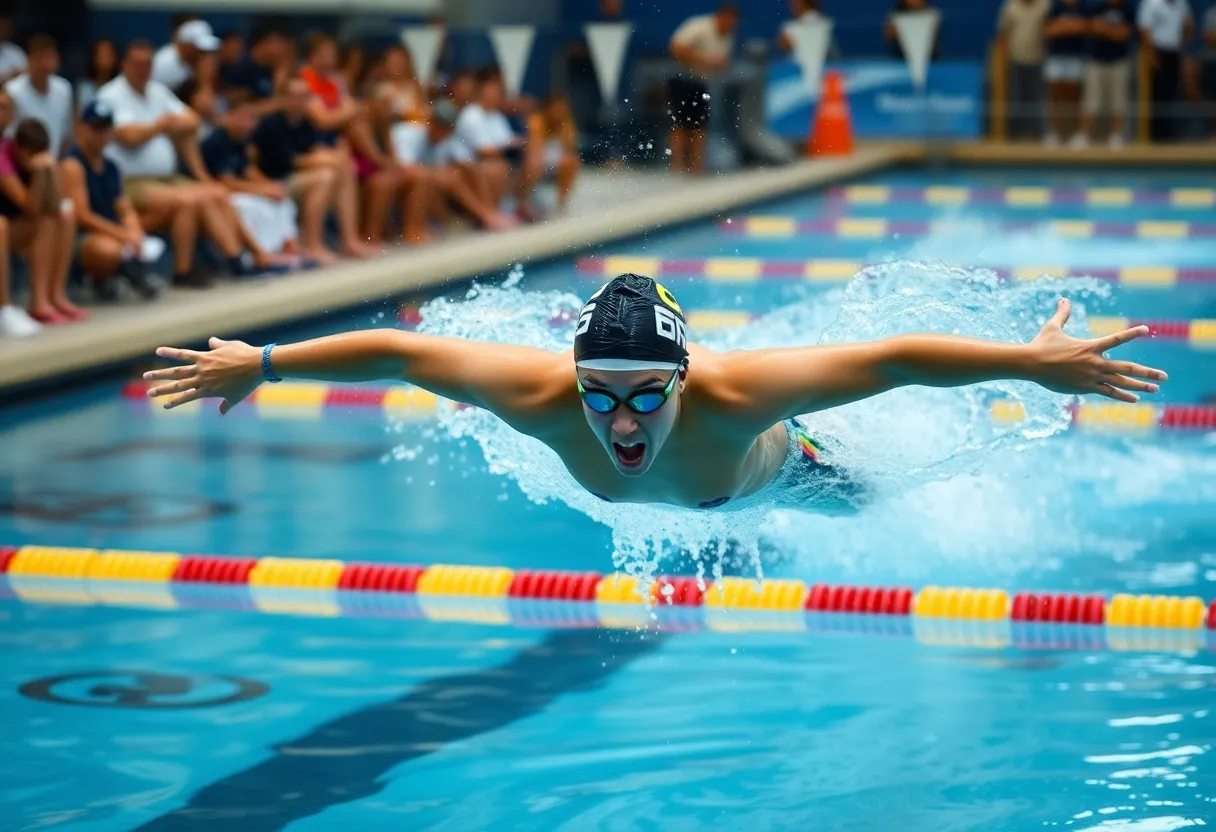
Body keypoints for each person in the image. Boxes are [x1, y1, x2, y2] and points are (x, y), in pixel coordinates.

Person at [145, 275, 1167, 513]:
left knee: (876, 502)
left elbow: (896, 356)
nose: (619, 419)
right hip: (699, 498)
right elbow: (403, 355)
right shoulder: (539, 394)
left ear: (683, 378)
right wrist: (264, 364)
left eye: (643, 395)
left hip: (786, 480)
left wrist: (1029, 365)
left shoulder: (734, 394)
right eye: (600, 394)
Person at [98, 40, 272, 287]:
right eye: (138, 63)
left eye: (148, 63)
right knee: (192, 199)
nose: (144, 69)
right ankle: (231, 261)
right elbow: (129, 137)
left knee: (216, 193)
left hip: (167, 179)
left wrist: (161, 125)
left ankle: (247, 256)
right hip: (132, 182)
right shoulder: (111, 94)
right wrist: (163, 124)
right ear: (124, 64)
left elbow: (192, 121)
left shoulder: (157, 91)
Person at [250, 78, 362, 264]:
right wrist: (327, 160)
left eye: (303, 96)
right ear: (283, 98)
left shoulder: (304, 121)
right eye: (294, 96)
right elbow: (293, 161)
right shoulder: (273, 124)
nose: (299, 100)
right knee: (325, 176)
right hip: (274, 180)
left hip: (295, 176)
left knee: (343, 166)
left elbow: (313, 148)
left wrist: (334, 157)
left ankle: (349, 239)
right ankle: (312, 243)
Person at [59, 100, 159, 300]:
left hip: (108, 230)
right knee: (108, 249)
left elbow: (124, 207)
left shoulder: (111, 166)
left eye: (105, 128)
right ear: (81, 129)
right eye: (95, 128)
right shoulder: (72, 165)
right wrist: (122, 235)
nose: (100, 134)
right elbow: (82, 216)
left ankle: (115, 278)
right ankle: (104, 278)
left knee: (139, 234)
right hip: (79, 236)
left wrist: (134, 230)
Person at [0, 116, 80, 323]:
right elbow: (30, 207)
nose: (35, 159)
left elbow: (54, 205)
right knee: (44, 222)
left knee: (65, 214)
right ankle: (38, 302)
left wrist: (50, 171)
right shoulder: (3, 156)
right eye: (31, 154)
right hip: (8, 226)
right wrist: (38, 174)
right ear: (18, 148)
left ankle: (55, 295)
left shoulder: (42, 161)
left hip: (18, 224)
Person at [201, 99, 299, 261]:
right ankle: (257, 256)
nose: (249, 123)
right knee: (245, 207)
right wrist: (261, 190)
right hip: (220, 194)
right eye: (244, 117)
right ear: (228, 116)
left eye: (252, 118)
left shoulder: (241, 140)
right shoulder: (216, 141)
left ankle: (288, 248)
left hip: (239, 189)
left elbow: (248, 170)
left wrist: (270, 186)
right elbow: (226, 182)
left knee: (281, 196)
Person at [667, 3, 737, 175]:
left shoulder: (728, 36)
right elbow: (675, 47)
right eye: (728, 23)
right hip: (682, 80)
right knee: (681, 126)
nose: (730, 27)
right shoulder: (698, 27)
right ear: (720, 18)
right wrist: (704, 60)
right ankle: (677, 166)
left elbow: (719, 62)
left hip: (701, 83)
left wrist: (718, 65)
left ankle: (696, 168)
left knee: (699, 127)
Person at [5, 35, 74, 158]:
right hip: (20, 163)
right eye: (39, 58)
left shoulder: (64, 89)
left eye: (49, 57)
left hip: (53, 162)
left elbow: (65, 135)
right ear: (29, 60)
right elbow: (9, 137)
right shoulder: (12, 91)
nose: (45, 64)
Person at [1077, 0, 1134, 148]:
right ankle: (1084, 135)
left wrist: (1105, 29)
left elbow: (1125, 34)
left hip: (1119, 61)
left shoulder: (1127, 9)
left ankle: (1116, 136)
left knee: (1118, 100)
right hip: (1096, 60)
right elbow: (1091, 27)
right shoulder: (1096, 8)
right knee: (1090, 100)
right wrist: (1113, 30)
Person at [1138, 0, 1194, 142]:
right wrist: (1152, 54)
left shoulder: (1181, 3)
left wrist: (1185, 47)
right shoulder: (1151, 3)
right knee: (1157, 94)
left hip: (1175, 52)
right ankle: (1155, 135)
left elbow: (1188, 24)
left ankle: (1170, 133)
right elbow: (1144, 28)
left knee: (1172, 93)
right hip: (1157, 53)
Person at [996, 0, 1049, 142]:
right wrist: (1003, 62)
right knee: (1016, 98)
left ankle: (1039, 134)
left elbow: (1049, 30)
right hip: (1016, 60)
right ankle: (1015, 134)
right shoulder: (1010, 6)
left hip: (1038, 60)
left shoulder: (1044, 6)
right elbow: (1003, 35)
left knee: (1037, 98)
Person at [1043, 0, 1090, 148]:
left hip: (1076, 58)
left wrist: (1062, 25)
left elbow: (1086, 27)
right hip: (1056, 57)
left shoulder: (1083, 6)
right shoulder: (1055, 7)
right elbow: (1048, 30)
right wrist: (1071, 26)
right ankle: (1054, 134)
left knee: (1075, 98)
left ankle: (1077, 134)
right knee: (1055, 97)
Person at [522, 95, 580, 216]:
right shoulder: (536, 121)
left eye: (562, 109)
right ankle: (525, 202)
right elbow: (534, 147)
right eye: (556, 109)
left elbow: (569, 149)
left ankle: (561, 201)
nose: (559, 113)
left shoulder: (566, 123)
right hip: (535, 160)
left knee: (572, 162)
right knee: (534, 161)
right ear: (548, 109)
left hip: (552, 162)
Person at [152, 19, 220, 91]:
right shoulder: (163, 64)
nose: (202, 55)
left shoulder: (197, 62)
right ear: (185, 45)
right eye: (197, 49)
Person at [76, 39, 119, 111]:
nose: (104, 60)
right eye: (100, 55)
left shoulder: (121, 85)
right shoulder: (85, 87)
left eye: (108, 55)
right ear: (93, 57)